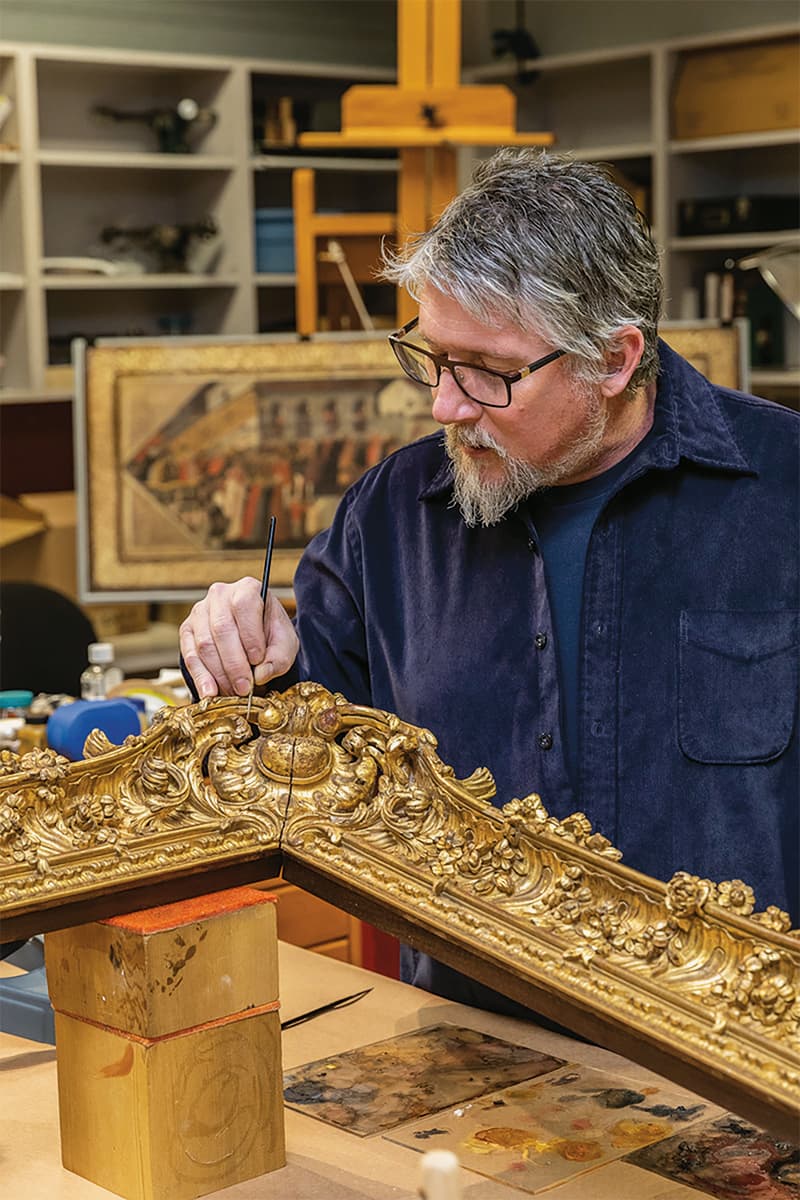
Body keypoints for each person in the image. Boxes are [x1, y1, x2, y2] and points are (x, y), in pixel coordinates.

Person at [180, 150, 799, 1015]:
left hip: (743, 1068)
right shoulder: (392, 513)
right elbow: (312, 765)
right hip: (472, 1059)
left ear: (615, 361)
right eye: (432, 358)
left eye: (487, 371)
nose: (445, 405)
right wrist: (261, 661)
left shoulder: (785, 492)